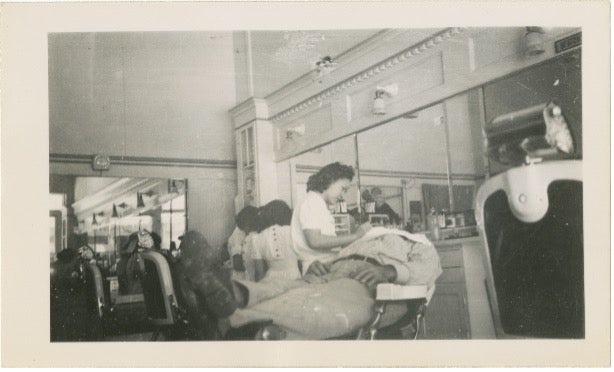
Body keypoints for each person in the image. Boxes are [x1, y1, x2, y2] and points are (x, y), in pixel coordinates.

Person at [177, 227, 441, 339]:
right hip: (334, 273)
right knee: (286, 286)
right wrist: (323, 264)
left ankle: (229, 318)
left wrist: (390, 271)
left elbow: (427, 269)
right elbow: (338, 256)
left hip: (370, 284)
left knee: (310, 302)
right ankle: (234, 293)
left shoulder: (417, 244)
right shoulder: (366, 239)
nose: (385, 231)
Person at [291, 162, 373, 277]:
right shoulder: (311, 202)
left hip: (324, 265)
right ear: (329, 181)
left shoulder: (319, 204)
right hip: (318, 268)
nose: (342, 195)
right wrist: (356, 236)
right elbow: (315, 240)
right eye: (343, 189)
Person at [251, 200, 301, 282]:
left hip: (270, 281)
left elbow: (259, 272)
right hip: (294, 278)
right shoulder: (293, 232)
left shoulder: (256, 238)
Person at [227, 206, 260, 281]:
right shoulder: (238, 233)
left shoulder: (253, 232)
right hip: (241, 275)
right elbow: (237, 264)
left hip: (250, 271)